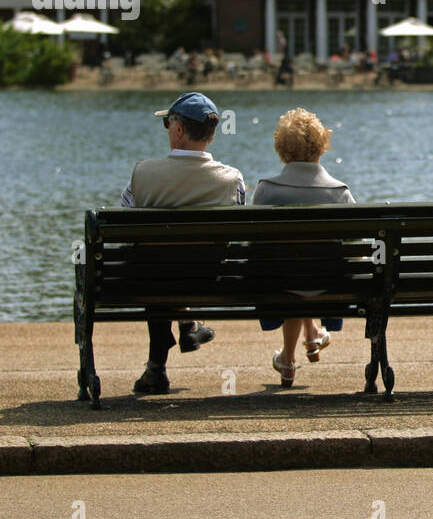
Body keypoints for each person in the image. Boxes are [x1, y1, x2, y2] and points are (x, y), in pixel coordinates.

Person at [120, 92, 246, 393]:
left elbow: (123, 231)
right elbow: (239, 235)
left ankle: (159, 365)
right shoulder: (232, 180)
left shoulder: (143, 174)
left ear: (177, 130)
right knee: (175, 263)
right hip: (209, 281)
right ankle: (186, 326)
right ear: (212, 134)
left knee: (154, 263)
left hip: (147, 282)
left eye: (167, 123)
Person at [251, 108, 354, 387]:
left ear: (282, 150)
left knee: (293, 268)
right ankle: (309, 337)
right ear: (321, 147)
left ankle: (291, 355)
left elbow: (253, 247)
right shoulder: (339, 193)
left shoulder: (266, 190)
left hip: (279, 284)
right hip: (328, 286)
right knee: (308, 265)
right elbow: (356, 250)